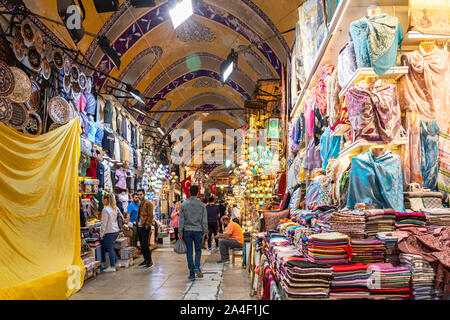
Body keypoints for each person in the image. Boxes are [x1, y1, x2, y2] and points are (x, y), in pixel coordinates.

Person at [178, 185, 208, 281]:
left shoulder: (184, 205)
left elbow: (181, 219)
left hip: (187, 230)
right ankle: (197, 266)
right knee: (198, 249)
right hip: (198, 230)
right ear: (198, 193)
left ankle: (191, 274)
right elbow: (204, 220)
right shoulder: (202, 205)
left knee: (189, 252)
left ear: (189, 192)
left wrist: (179, 231)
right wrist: (205, 231)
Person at [100, 193, 122, 272]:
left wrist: (101, 234)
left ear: (106, 200)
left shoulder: (105, 210)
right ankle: (117, 262)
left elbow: (104, 223)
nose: (102, 201)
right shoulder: (114, 208)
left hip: (109, 231)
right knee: (111, 247)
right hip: (115, 230)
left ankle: (112, 266)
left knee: (110, 249)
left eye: (102, 199)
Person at [136, 189, 154, 269]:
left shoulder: (148, 203)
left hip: (145, 226)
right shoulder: (140, 203)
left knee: (145, 244)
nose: (139, 196)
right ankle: (145, 260)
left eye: (141, 194)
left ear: (144, 194)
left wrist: (147, 225)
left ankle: (149, 261)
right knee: (142, 245)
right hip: (139, 226)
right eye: (138, 195)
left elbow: (150, 215)